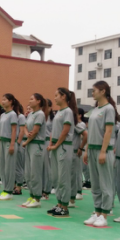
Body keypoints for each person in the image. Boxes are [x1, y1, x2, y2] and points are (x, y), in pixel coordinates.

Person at [83, 81, 117, 228]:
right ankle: (97, 212)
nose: (92, 93)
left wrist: (103, 151)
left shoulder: (109, 109)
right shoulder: (95, 109)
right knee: (95, 184)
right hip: (92, 149)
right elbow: (90, 131)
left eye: (94, 90)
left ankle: (104, 214)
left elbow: (108, 131)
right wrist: (86, 150)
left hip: (104, 150)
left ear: (103, 91)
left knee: (105, 184)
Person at [47, 88, 77, 218]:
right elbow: (55, 130)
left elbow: (65, 130)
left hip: (63, 147)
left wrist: (57, 145)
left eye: (56, 95)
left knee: (63, 177)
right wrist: (51, 143)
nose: (55, 98)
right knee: (56, 177)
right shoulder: (59, 112)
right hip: (55, 146)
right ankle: (59, 203)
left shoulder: (68, 111)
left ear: (63, 96)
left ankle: (65, 206)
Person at [22, 93, 48, 209]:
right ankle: (31, 195)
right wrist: (27, 134)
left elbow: (36, 131)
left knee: (35, 173)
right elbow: (26, 127)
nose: (29, 100)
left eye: (32, 99)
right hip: (29, 144)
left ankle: (37, 198)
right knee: (28, 173)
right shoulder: (31, 114)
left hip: (36, 145)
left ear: (38, 101)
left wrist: (26, 141)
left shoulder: (40, 114)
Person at [0, 94, 20, 201]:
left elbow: (14, 130)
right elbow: (1, 131)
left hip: (9, 142)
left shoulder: (13, 114)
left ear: (10, 101)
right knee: (3, 167)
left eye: (5, 99)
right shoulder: (3, 114)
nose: (3, 101)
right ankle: (5, 189)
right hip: (2, 142)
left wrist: (12, 144)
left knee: (9, 167)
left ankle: (9, 191)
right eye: (2, 99)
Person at [74, 109, 88, 201]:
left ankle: (79, 191)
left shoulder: (81, 124)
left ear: (80, 115)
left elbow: (84, 136)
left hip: (80, 148)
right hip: (78, 148)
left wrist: (81, 148)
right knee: (75, 171)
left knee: (78, 170)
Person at [42, 99, 55, 201]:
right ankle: (41, 189)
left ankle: (46, 190)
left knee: (47, 168)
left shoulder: (52, 119)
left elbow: (53, 132)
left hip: (48, 143)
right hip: (40, 143)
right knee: (41, 168)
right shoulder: (41, 117)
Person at [14, 104, 27, 196]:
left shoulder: (21, 116)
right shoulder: (13, 116)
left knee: (18, 166)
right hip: (15, 142)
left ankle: (19, 187)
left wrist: (18, 143)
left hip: (19, 142)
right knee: (14, 166)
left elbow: (22, 131)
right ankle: (14, 185)